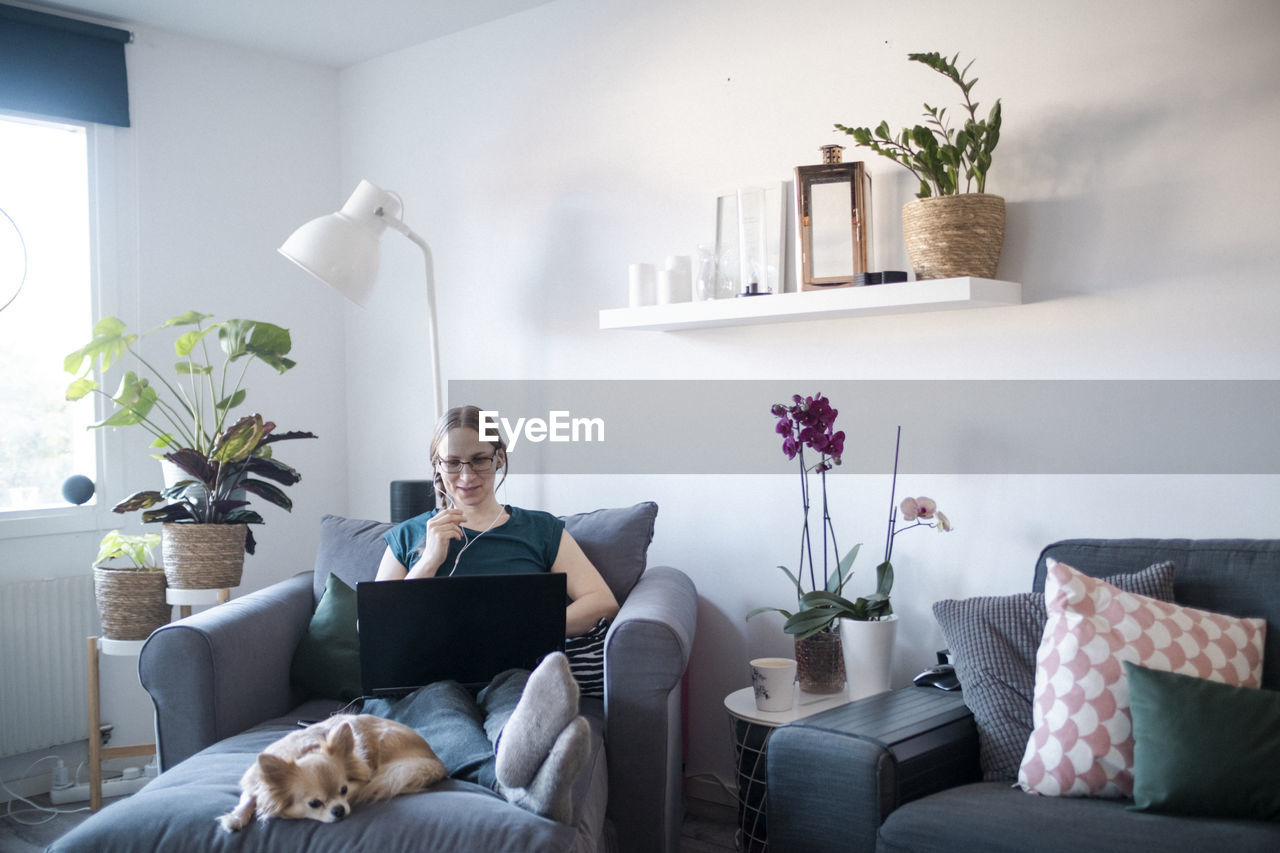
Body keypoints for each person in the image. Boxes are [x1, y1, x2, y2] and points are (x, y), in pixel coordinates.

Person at [364, 405, 620, 824]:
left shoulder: (538, 529)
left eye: (480, 460)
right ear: (437, 465)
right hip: (427, 681)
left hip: (512, 667)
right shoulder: (409, 536)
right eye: (453, 463)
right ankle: (519, 789)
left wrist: (529, 629)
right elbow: (374, 628)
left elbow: (600, 600)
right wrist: (427, 562)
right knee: (442, 711)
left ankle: (523, 752)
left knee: (516, 699)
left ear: (498, 458)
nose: (466, 476)